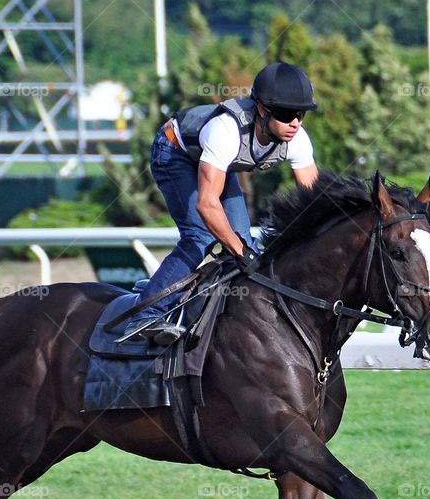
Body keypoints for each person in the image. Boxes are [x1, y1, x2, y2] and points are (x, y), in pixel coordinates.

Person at [122, 61, 320, 345]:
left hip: (215, 164)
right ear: (262, 111)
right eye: (287, 114)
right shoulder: (226, 130)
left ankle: (228, 316)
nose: (295, 123)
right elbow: (206, 205)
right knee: (201, 236)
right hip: (174, 151)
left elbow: (315, 202)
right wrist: (240, 251)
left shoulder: (298, 140)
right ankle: (146, 313)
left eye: (301, 114)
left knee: (245, 246)